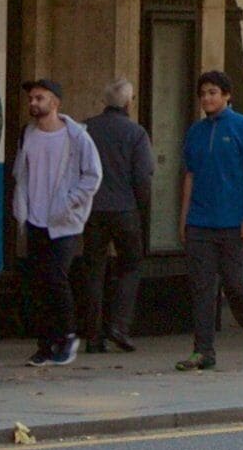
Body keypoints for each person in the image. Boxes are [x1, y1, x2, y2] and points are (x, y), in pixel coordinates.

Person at [174, 67, 243, 370]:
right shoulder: (196, 132)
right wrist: (184, 218)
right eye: (203, 93)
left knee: (234, 284)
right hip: (201, 222)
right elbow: (189, 175)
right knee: (201, 287)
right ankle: (203, 350)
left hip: (233, 222)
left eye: (213, 92)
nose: (207, 98)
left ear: (227, 96)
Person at [11, 78, 105, 366]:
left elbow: (93, 175)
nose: (33, 103)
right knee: (39, 284)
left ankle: (67, 335)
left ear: (55, 102)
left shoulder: (76, 137)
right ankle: (45, 344)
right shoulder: (27, 136)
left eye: (40, 98)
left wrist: (70, 202)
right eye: (31, 98)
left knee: (55, 277)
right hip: (35, 220)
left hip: (63, 221)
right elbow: (21, 175)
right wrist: (22, 209)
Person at [74, 80, 154, 353]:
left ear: (105, 103)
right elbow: (143, 177)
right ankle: (119, 325)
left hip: (92, 211)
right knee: (131, 264)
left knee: (93, 270)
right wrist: (143, 210)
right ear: (129, 103)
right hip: (125, 210)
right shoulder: (136, 133)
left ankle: (93, 336)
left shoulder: (86, 129)